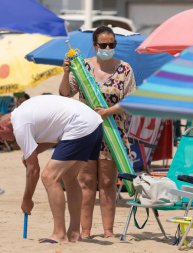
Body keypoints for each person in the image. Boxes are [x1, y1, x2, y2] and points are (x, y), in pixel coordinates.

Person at [0, 95, 103, 243]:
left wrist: (27, 200)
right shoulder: (23, 113)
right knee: (69, 177)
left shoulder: (20, 125)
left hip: (80, 126)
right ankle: (74, 233)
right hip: (94, 124)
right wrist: (31, 154)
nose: (1, 141)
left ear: (1, 127)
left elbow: (33, 170)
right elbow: (52, 137)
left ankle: (59, 234)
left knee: (49, 177)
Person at [59, 25, 136, 238]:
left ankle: (108, 231)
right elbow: (65, 93)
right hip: (86, 133)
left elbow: (132, 100)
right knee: (85, 183)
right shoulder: (82, 67)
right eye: (104, 44)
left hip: (112, 132)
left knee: (108, 183)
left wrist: (108, 111)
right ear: (94, 46)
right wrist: (65, 73)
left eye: (112, 44)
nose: (108, 47)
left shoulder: (125, 69)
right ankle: (85, 231)